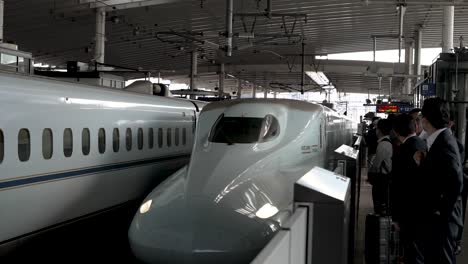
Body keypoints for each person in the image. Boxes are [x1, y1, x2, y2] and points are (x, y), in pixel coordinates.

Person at [417, 97, 464, 264]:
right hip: (439, 221)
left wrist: (439, 212)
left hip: (442, 223)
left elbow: (456, 183)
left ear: (425, 120)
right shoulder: (441, 140)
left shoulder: (444, 143)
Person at [390, 114, 427, 264]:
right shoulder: (422, 144)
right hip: (423, 209)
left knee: (411, 251)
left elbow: (398, 187)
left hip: (408, 212)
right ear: (415, 127)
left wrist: (396, 217)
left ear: (396, 132)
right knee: (418, 251)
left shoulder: (402, 151)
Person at [368, 119, 393, 214]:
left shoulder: (383, 144)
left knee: (379, 202)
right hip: (385, 177)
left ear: (379, 130)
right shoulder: (387, 142)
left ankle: (379, 218)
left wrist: (371, 174)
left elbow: (376, 165)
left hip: (382, 178)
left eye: (376, 128)